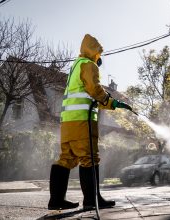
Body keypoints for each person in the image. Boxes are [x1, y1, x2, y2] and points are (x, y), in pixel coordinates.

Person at [48, 34, 133, 210]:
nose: (99, 59)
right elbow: (95, 90)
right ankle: (92, 200)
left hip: (68, 123)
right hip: (82, 123)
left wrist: (110, 105)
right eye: (99, 55)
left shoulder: (75, 66)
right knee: (90, 159)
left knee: (66, 159)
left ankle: (56, 200)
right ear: (94, 52)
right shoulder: (89, 65)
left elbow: (88, 97)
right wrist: (112, 101)